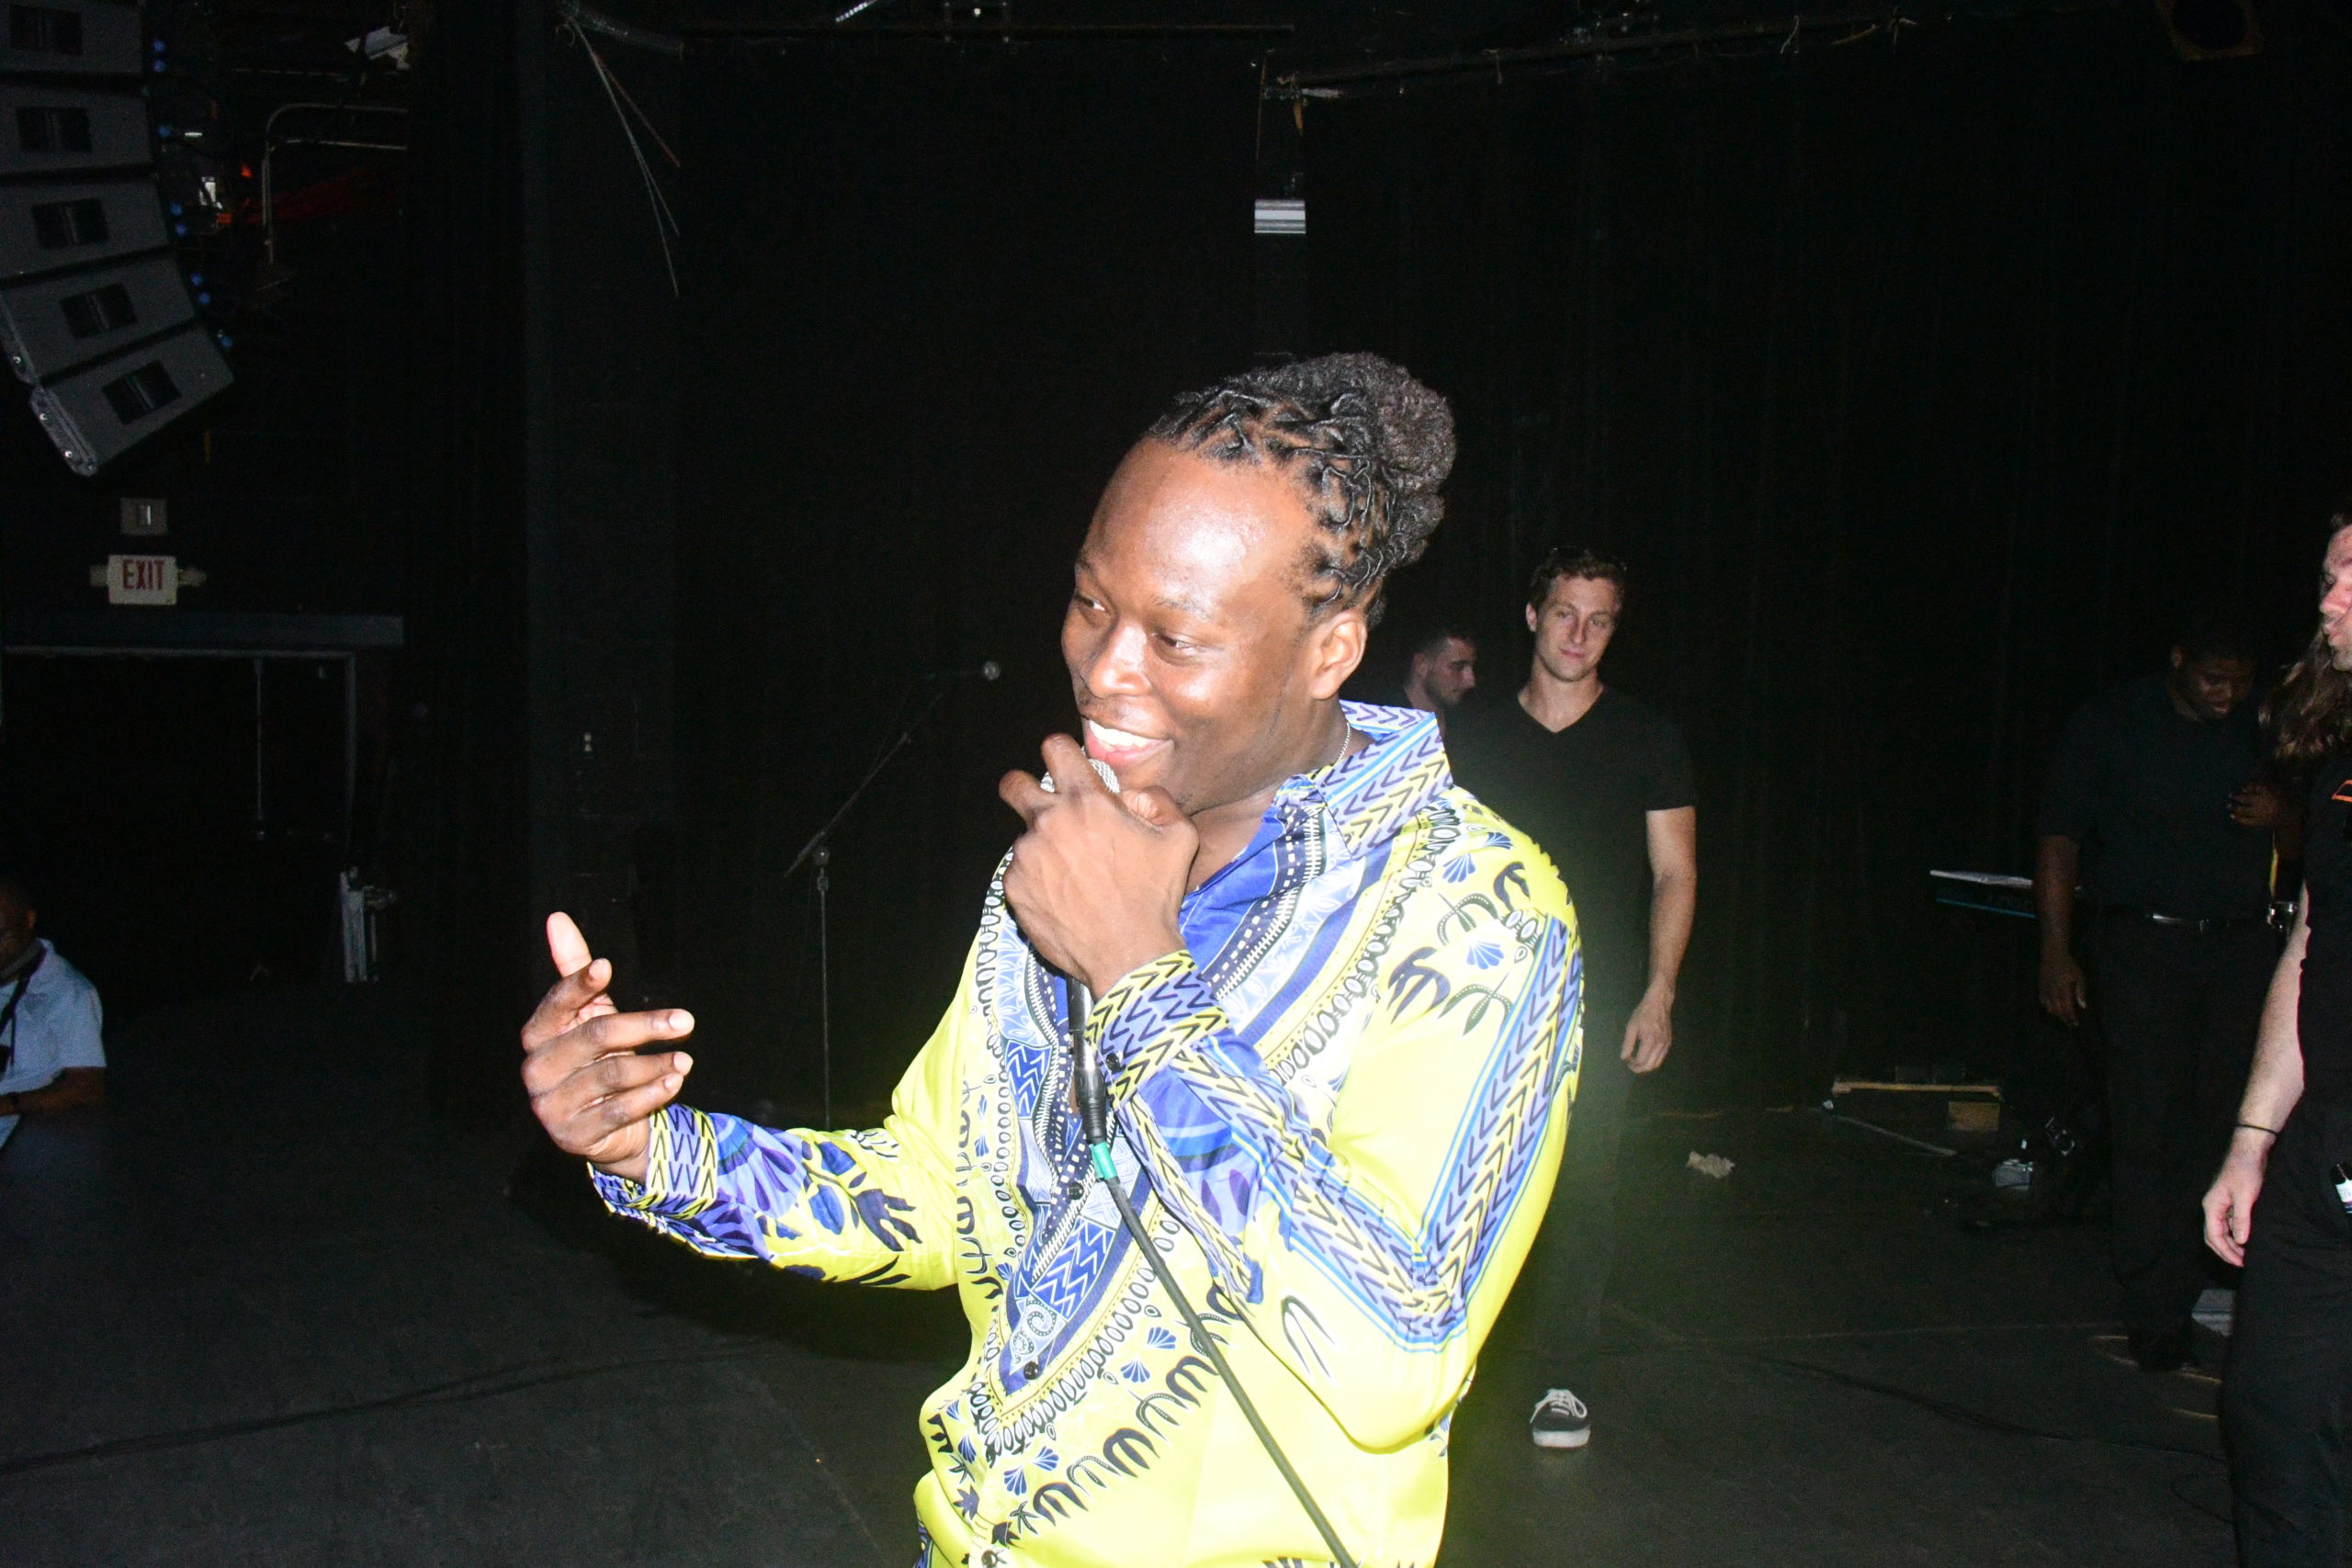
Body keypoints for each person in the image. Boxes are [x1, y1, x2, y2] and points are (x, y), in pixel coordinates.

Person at [519, 355, 1583, 1568]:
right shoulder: (1069, 854)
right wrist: (651, 1148)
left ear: (1329, 649)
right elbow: (938, 1188)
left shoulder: (1479, 909)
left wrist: (1138, 978)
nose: (1103, 668)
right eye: (1089, 602)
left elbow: (1398, 1350)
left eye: (1176, 636)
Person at [1444, 545, 1697, 1450]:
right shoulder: (1471, 740)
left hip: (1597, 997)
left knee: (1584, 1186)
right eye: (1564, 613)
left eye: (1599, 621)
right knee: (1463, 1186)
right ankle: (1443, 1370)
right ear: (1532, 615)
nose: (1579, 635)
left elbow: (1674, 873)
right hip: (1480, 998)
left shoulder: (1646, 737)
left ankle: (1563, 1376)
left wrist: (1658, 994)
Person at [2036, 601, 2282, 1373]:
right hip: (2143, 943)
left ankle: (2189, 1281)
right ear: (2178, 661)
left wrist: (2284, 815)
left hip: (2238, 947)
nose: (2226, 694)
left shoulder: (2263, 725)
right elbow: (2060, 834)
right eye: (2213, 679)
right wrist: (2055, 949)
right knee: (2147, 1120)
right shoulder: (2114, 721)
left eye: (2240, 680)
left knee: (2220, 1122)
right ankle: (2152, 1305)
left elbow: (2318, 824)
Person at [2206, 512, 2352, 1567]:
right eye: (2331, 575)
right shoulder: (2340, 761)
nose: (2330, 599)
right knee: (2269, 1411)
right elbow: (2311, 938)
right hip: (2321, 1139)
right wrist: (2254, 1138)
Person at [0, 872, 107, 1152]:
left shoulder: (69, 992)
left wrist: (6, 1105)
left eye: (1, 935)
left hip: (17, 1141)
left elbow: (86, 1087)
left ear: (29, 920)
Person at [1398, 625, 1477, 730]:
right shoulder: (1380, 727)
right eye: (1458, 667)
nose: (1471, 681)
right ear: (1421, 665)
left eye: (1472, 668)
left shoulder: (1467, 723)